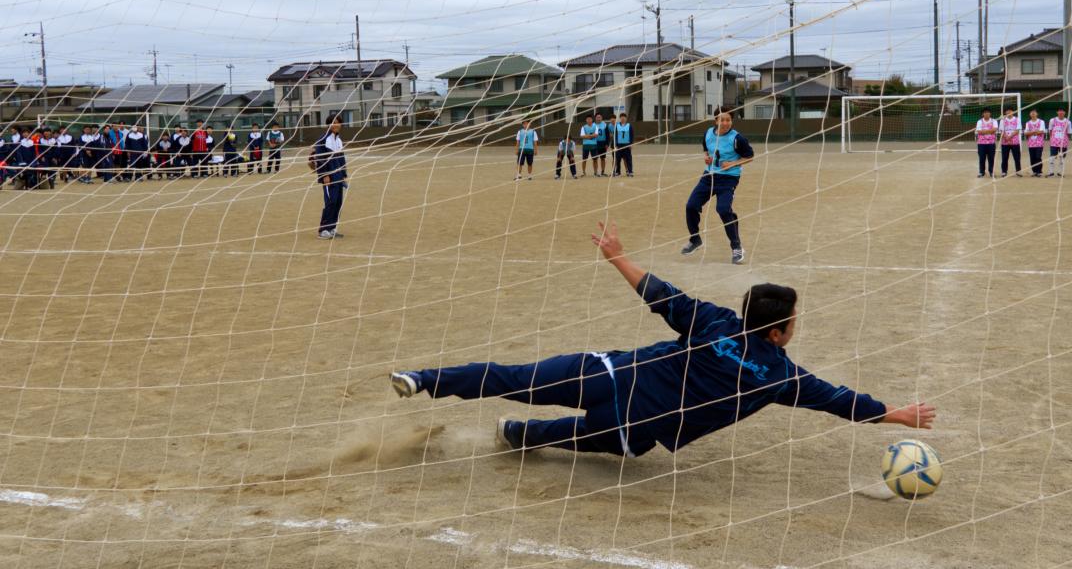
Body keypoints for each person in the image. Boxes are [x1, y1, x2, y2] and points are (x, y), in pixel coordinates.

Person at [389, 221, 935, 458]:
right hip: (634, 424)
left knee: (514, 378)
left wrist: (617, 256)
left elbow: (661, 295)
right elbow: (840, 401)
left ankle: (423, 379)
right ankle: (519, 434)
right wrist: (899, 415)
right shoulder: (778, 376)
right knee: (607, 442)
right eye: (795, 318)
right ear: (777, 331)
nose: (797, 323)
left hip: (606, 374)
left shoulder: (716, 321)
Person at [682, 107, 754, 265]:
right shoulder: (708, 133)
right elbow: (706, 149)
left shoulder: (737, 138)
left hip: (729, 178)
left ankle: (736, 247)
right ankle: (695, 240)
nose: (725, 123)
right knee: (691, 206)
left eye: (728, 120)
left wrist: (732, 164)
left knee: (723, 209)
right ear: (716, 120)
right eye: (722, 120)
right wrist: (706, 157)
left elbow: (750, 156)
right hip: (709, 176)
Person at [313, 113, 348, 239]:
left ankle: (332, 228)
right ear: (328, 124)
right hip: (329, 177)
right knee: (330, 202)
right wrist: (325, 175)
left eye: (338, 122)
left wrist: (343, 174)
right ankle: (323, 230)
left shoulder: (338, 140)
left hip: (338, 177)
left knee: (338, 202)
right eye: (333, 122)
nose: (336, 125)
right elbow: (320, 159)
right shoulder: (324, 139)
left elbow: (341, 159)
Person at [1046, 108, 1072, 178]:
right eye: (1059, 111)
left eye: (1062, 111)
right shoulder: (1052, 120)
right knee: (1052, 157)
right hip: (1054, 142)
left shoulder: (1068, 122)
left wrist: (1065, 139)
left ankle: (1060, 172)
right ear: (1057, 112)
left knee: (1062, 158)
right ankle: (1051, 172)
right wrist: (1052, 138)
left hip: (1063, 143)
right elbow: (1050, 130)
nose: (1061, 112)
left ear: (1065, 112)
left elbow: (1069, 132)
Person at [998, 107, 1022, 177]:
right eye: (1007, 111)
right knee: (1004, 157)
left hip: (1015, 142)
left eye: (1010, 110)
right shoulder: (1003, 120)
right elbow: (1001, 130)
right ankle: (1004, 171)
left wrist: (1010, 136)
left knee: (1017, 157)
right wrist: (1006, 137)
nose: (1008, 112)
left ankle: (1018, 171)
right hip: (1005, 142)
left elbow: (1017, 130)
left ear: (1013, 111)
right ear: (1005, 112)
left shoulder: (1017, 119)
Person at [974, 109, 997, 178]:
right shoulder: (979, 121)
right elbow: (979, 131)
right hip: (981, 143)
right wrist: (990, 131)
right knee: (982, 158)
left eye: (988, 112)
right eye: (985, 112)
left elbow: (994, 130)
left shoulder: (994, 121)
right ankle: (981, 172)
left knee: (991, 158)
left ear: (990, 113)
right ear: (982, 114)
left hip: (991, 143)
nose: (986, 114)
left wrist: (984, 131)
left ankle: (991, 171)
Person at [1024, 109, 1046, 177]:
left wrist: (1031, 132)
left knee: (1038, 157)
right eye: (1031, 112)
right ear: (1030, 114)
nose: (1033, 114)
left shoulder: (1041, 122)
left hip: (1039, 143)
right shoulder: (1028, 123)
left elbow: (1041, 131)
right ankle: (1034, 171)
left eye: (1034, 112)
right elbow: (1026, 133)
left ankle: (1039, 171)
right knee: (1032, 158)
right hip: (1031, 144)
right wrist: (1035, 131)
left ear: (1037, 114)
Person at [613, 113, 634, 177]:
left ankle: (630, 171)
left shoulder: (629, 126)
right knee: (618, 159)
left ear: (626, 118)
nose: (623, 119)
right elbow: (615, 136)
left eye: (624, 117)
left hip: (627, 145)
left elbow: (631, 135)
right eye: (621, 117)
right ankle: (618, 172)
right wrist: (615, 145)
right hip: (619, 145)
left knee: (628, 159)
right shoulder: (617, 126)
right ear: (620, 118)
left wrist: (631, 144)